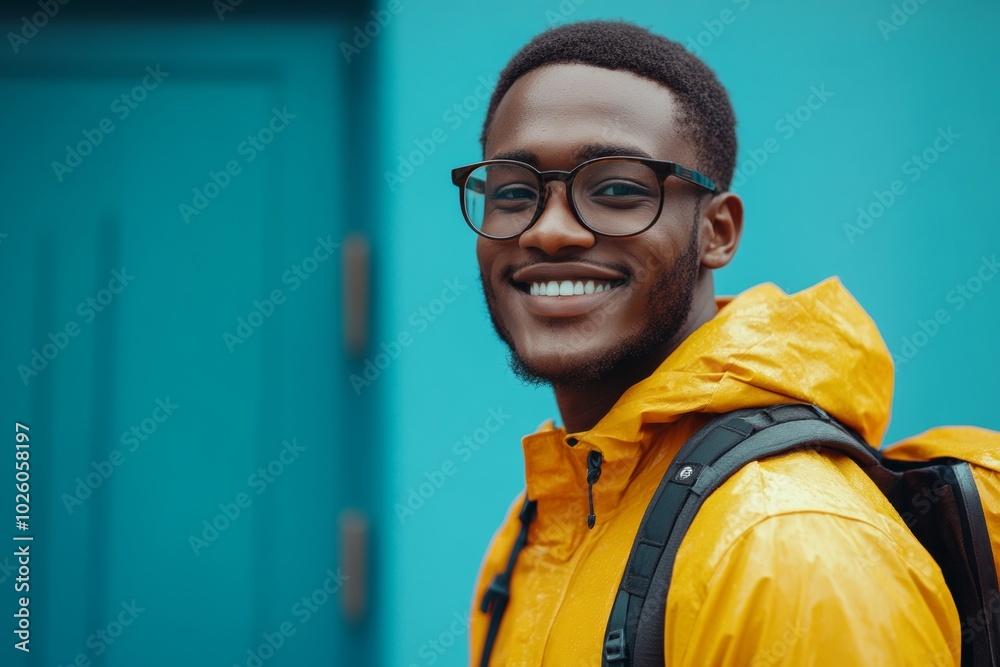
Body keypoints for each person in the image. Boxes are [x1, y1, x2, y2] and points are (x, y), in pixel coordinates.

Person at [449, 20, 961, 666]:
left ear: (717, 230)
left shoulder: (785, 544)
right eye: (514, 192)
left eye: (615, 189)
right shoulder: (537, 525)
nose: (549, 231)